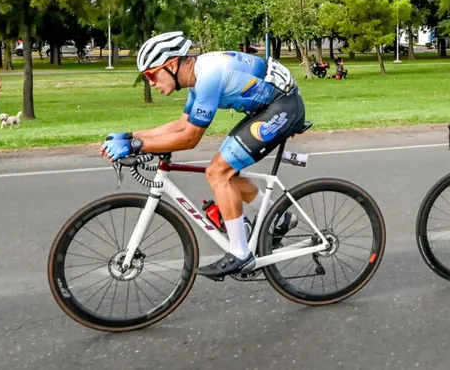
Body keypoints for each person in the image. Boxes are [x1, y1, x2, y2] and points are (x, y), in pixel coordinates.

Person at [99, 32, 306, 278]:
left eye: (151, 74)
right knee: (226, 172)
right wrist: (131, 135)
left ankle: (241, 253)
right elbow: (182, 125)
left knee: (219, 172)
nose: (151, 83)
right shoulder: (197, 77)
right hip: (269, 105)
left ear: (172, 64)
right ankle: (279, 218)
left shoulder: (208, 77)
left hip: (283, 107)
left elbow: (190, 138)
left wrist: (137, 145)